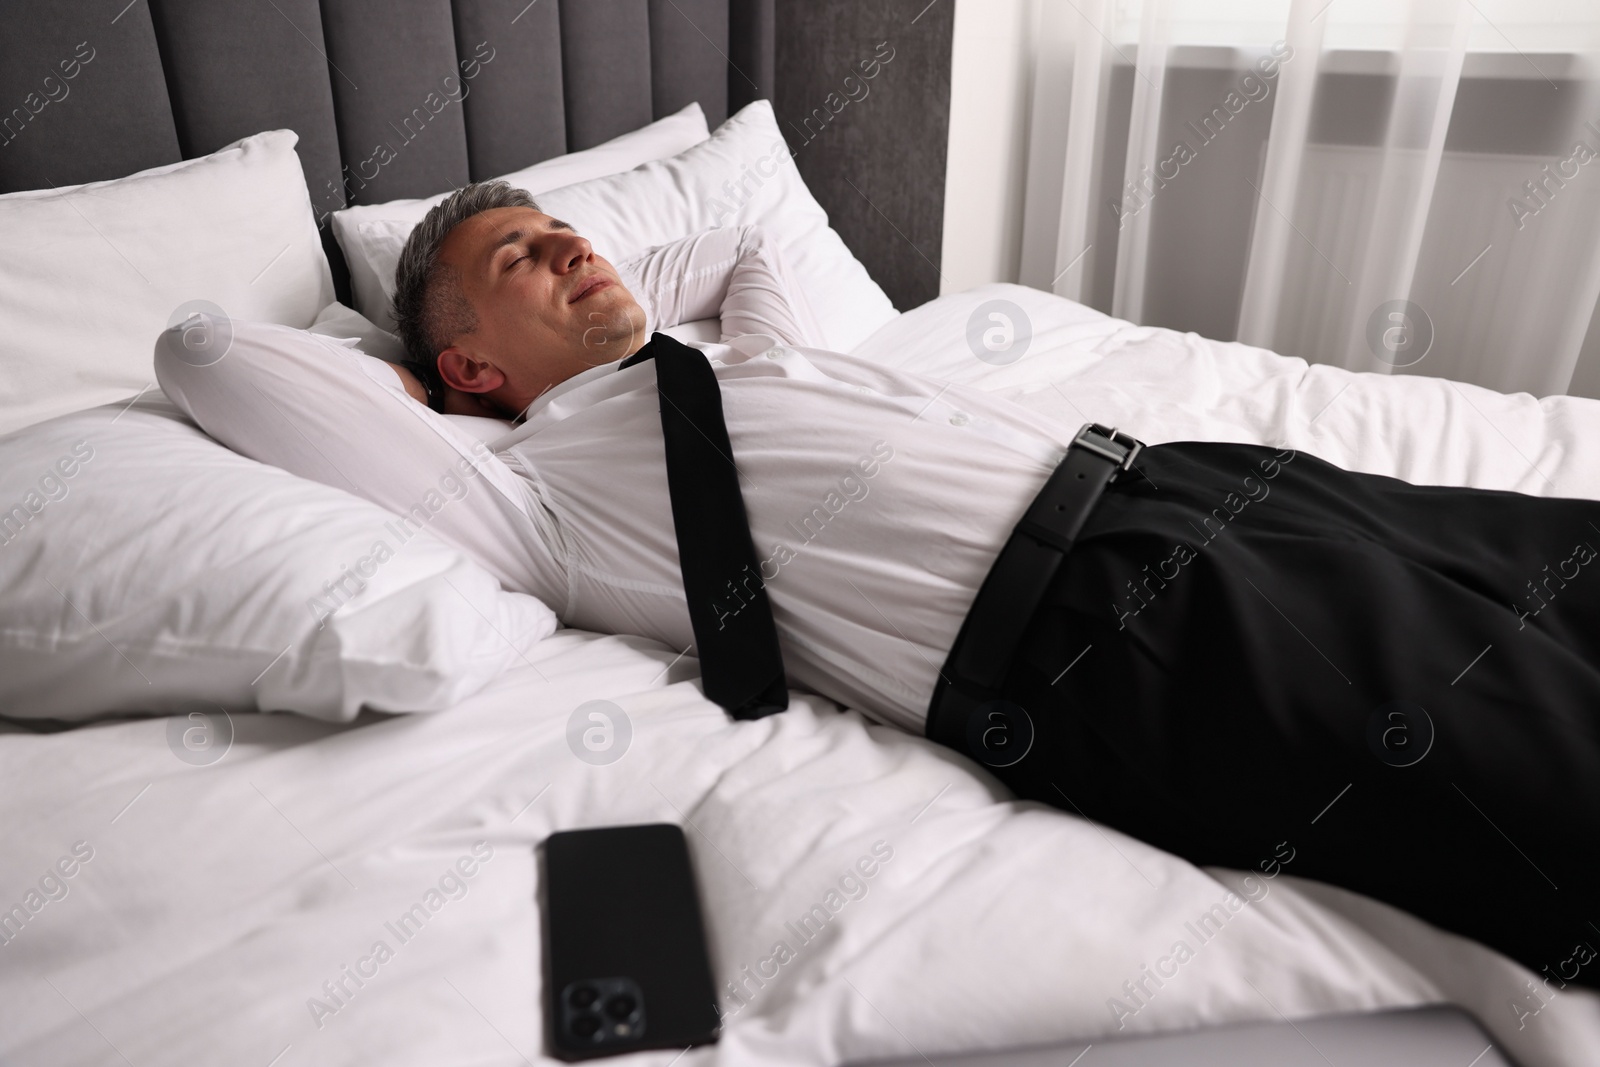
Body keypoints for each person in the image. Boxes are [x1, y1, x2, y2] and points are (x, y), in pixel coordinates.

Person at [155, 180, 1600, 988]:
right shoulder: (534, 499)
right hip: (1107, 632)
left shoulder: (745, 354)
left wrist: (585, 284)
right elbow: (209, 355)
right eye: (524, 257)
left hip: (1203, 479)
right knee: (1547, 773)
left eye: (569, 226)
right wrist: (409, 364)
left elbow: (734, 234)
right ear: (465, 367)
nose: (577, 247)